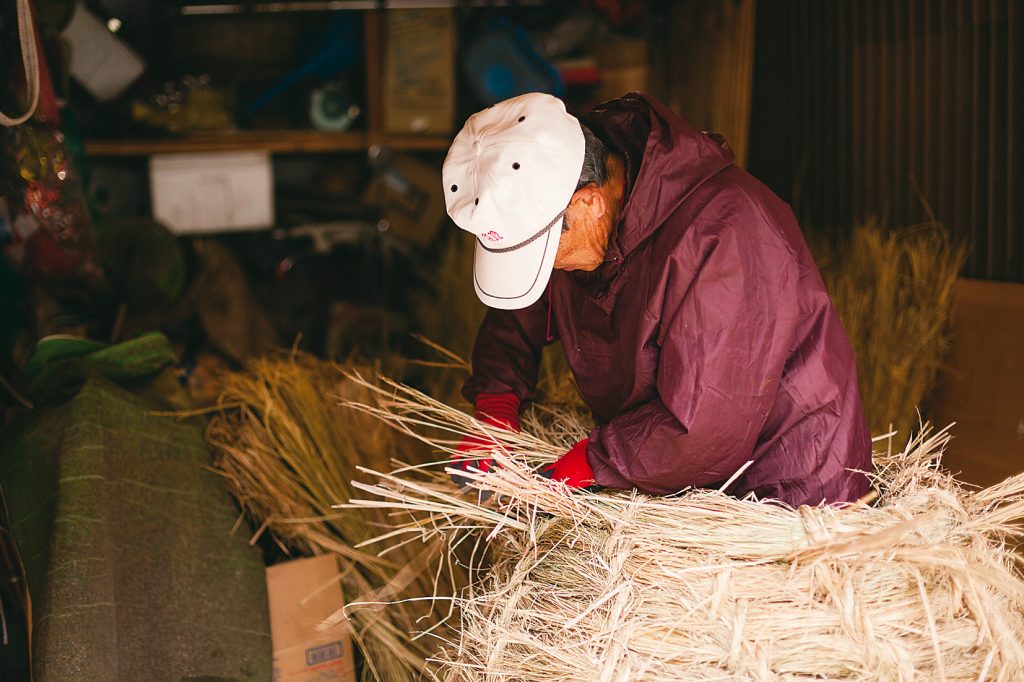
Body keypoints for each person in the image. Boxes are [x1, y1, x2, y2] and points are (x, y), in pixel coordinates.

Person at [441, 91, 871, 508]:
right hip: (676, 476)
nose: (548, 269)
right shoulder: (577, 212)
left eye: (543, 255)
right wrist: (496, 404)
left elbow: (706, 424)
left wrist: (593, 462)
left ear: (588, 202)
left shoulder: (722, 233)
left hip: (785, 486)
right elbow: (525, 308)